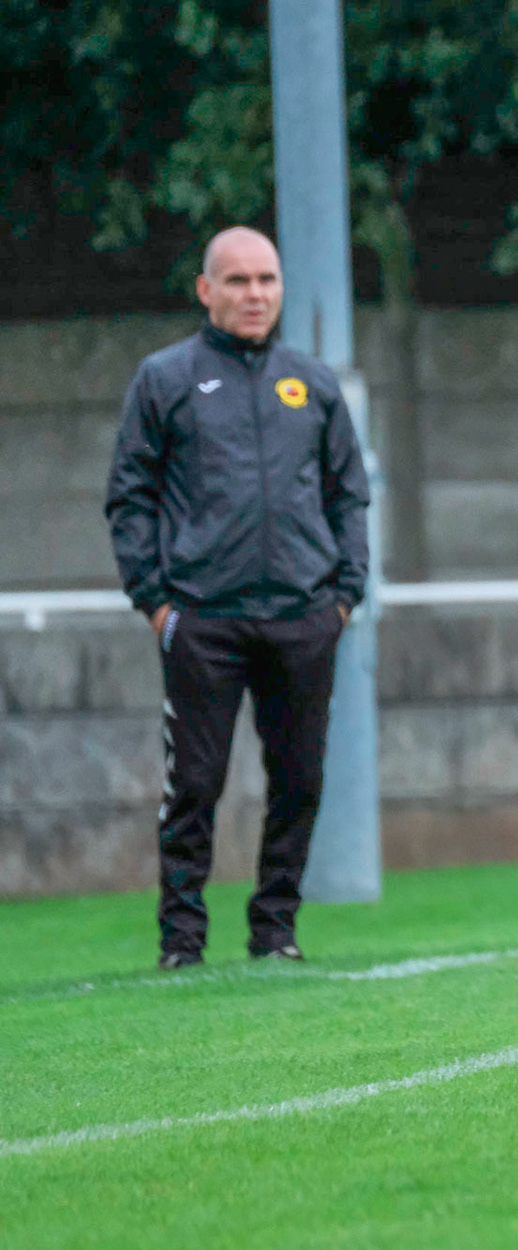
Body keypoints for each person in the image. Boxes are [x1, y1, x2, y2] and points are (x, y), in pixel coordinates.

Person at [104, 226, 371, 969]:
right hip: (203, 621)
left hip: (303, 617)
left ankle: (275, 931)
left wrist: (343, 596)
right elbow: (129, 498)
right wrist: (157, 602)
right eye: (238, 281)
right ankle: (181, 940)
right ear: (206, 290)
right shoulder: (165, 378)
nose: (255, 294)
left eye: (267, 280)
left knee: (300, 780)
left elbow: (349, 496)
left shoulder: (312, 384)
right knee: (193, 783)